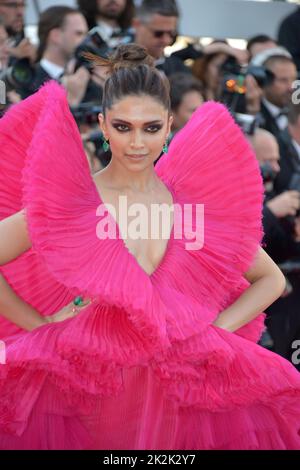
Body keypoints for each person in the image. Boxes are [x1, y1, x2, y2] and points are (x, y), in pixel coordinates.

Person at [0, 43, 299, 450]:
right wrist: (40, 326)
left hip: (179, 385)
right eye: (123, 127)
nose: (137, 143)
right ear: (103, 126)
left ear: (170, 124)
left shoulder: (191, 207)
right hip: (90, 382)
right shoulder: (71, 203)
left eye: (151, 127)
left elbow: (269, 278)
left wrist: (215, 333)